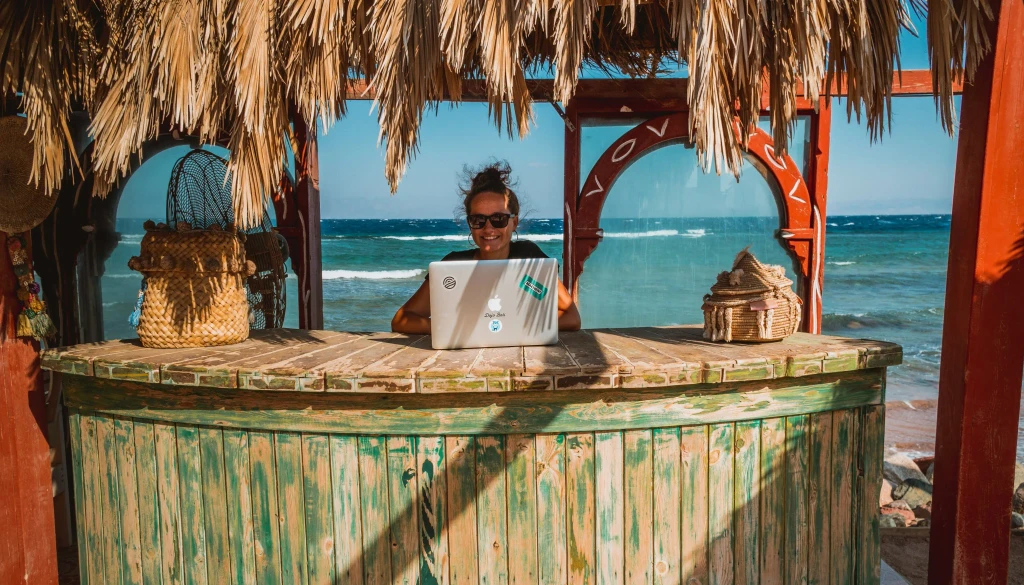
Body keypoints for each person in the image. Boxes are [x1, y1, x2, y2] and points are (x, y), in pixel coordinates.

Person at [392, 162, 582, 334]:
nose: (488, 228)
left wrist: (514, 325)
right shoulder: (453, 266)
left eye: (499, 219)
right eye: (478, 220)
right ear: (470, 224)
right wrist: (452, 328)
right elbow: (402, 320)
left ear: (514, 222)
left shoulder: (530, 258)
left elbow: (571, 317)